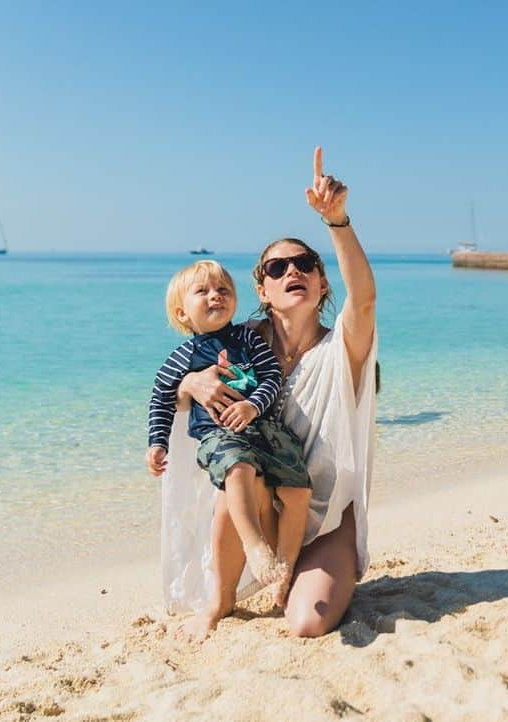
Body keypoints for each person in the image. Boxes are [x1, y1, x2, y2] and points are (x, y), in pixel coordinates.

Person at [161, 146, 377, 638]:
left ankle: (302, 570)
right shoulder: (237, 343)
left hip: (323, 518)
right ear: (262, 289)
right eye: (277, 269)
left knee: (307, 622)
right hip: (261, 509)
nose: (291, 273)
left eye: (304, 265)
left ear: (323, 283)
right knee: (236, 477)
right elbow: (171, 383)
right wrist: (191, 383)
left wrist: (337, 221)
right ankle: (221, 600)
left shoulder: (344, 347)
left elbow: (363, 298)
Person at [146, 259, 313, 591]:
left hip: (265, 429)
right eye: (203, 291)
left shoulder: (248, 340)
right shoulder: (182, 357)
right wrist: (157, 443)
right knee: (237, 469)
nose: (215, 296)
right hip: (219, 435)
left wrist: (253, 405)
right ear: (182, 314)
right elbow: (161, 399)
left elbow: (271, 379)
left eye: (224, 290)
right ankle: (255, 546)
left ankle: (285, 567)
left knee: (298, 490)